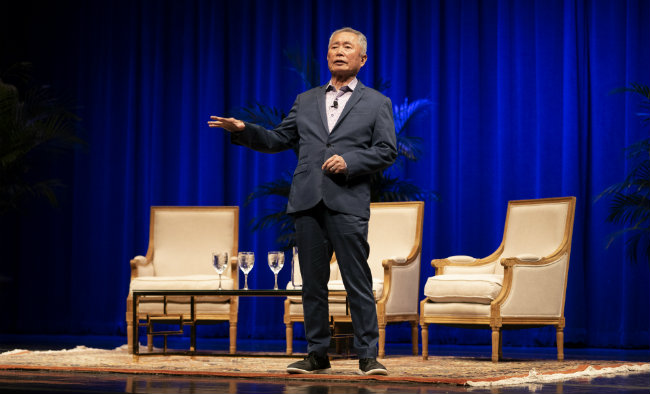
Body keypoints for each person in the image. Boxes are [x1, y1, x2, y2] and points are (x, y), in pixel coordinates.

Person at [208, 27, 397, 375]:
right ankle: (317, 354)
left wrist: (351, 162)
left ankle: (368, 355)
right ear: (327, 56)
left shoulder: (376, 103)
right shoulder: (306, 99)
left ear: (362, 59)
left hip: (347, 201)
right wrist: (242, 129)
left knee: (357, 279)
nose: (339, 51)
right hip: (307, 201)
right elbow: (278, 139)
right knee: (312, 282)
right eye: (334, 46)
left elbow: (387, 150)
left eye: (347, 47)